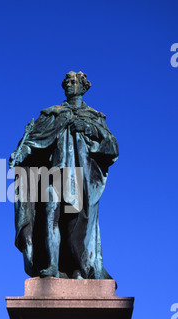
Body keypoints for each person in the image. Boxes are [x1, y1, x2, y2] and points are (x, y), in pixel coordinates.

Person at [9, 71, 118, 279]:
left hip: (80, 179)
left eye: (73, 81)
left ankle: (79, 266)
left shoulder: (95, 117)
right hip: (54, 172)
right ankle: (51, 265)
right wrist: (21, 152)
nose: (69, 84)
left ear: (83, 87)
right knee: (50, 211)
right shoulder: (52, 114)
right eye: (66, 81)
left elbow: (112, 147)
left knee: (75, 221)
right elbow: (34, 140)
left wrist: (87, 129)